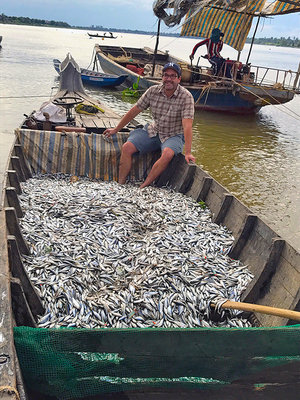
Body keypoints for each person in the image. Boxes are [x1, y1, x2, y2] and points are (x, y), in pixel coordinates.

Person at [103, 62, 195, 188]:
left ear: (179, 79)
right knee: (127, 147)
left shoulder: (186, 97)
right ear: (162, 77)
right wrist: (116, 129)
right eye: (166, 75)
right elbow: (134, 111)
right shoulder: (153, 91)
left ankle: (143, 187)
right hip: (154, 130)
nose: (169, 79)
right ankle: (121, 184)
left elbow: (187, 126)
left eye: (173, 76)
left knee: (167, 154)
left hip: (173, 135)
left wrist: (188, 152)